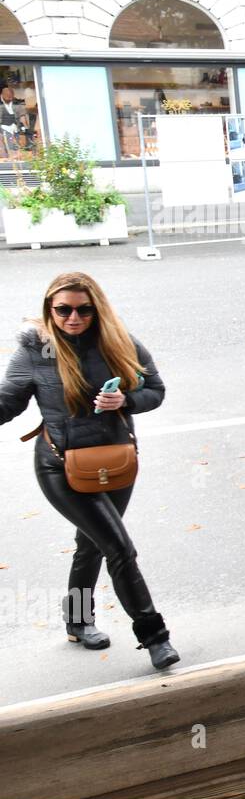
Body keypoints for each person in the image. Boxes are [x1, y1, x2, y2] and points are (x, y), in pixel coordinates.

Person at [0, 272, 180, 671]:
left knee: (93, 544)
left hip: (115, 460)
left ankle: (77, 620)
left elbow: (156, 391)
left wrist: (126, 401)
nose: (73, 318)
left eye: (83, 309)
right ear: (50, 310)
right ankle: (154, 636)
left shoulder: (119, 343)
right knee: (119, 547)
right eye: (63, 310)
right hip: (60, 466)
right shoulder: (34, 353)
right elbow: (7, 403)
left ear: (96, 308)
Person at [1, 85, 27, 159]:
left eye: (10, 95)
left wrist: (25, 128)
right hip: (5, 128)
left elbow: (22, 118)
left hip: (16, 128)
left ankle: (16, 157)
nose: (9, 97)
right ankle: (10, 158)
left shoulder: (17, 105)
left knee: (17, 144)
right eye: (6, 95)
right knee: (8, 145)